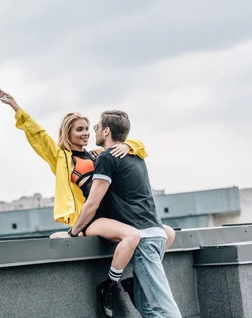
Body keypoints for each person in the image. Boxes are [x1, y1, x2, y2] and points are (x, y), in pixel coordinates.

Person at [0, 90, 175, 317]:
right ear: (68, 132)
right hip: (89, 220)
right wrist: (16, 107)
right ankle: (109, 288)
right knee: (133, 236)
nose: (85, 134)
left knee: (165, 232)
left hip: (112, 218)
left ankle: (134, 282)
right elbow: (38, 136)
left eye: (87, 129)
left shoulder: (97, 154)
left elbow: (134, 144)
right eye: (79, 129)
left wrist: (130, 146)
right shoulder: (61, 159)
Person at [52, 110, 181, 317]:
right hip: (159, 234)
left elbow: (93, 202)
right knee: (147, 308)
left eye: (95, 128)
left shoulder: (107, 158)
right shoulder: (136, 155)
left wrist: (72, 233)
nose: (91, 132)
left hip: (144, 239)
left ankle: (112, 286)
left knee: (163, 307)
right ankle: (132, 283)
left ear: (106, 130)